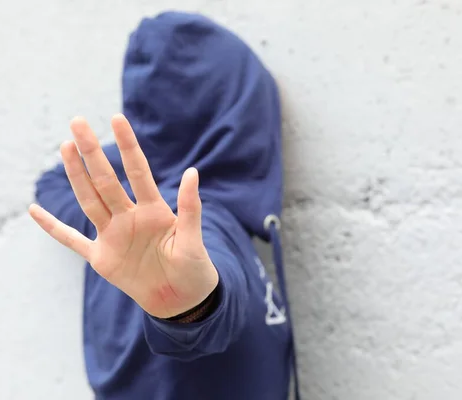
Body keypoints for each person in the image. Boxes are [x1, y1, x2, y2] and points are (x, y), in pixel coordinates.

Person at [30, 11, 299, 400]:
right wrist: (191, 307)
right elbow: (212, 281)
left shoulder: (115, 216)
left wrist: (156, 147)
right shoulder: (191, 216)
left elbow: (51, 184)